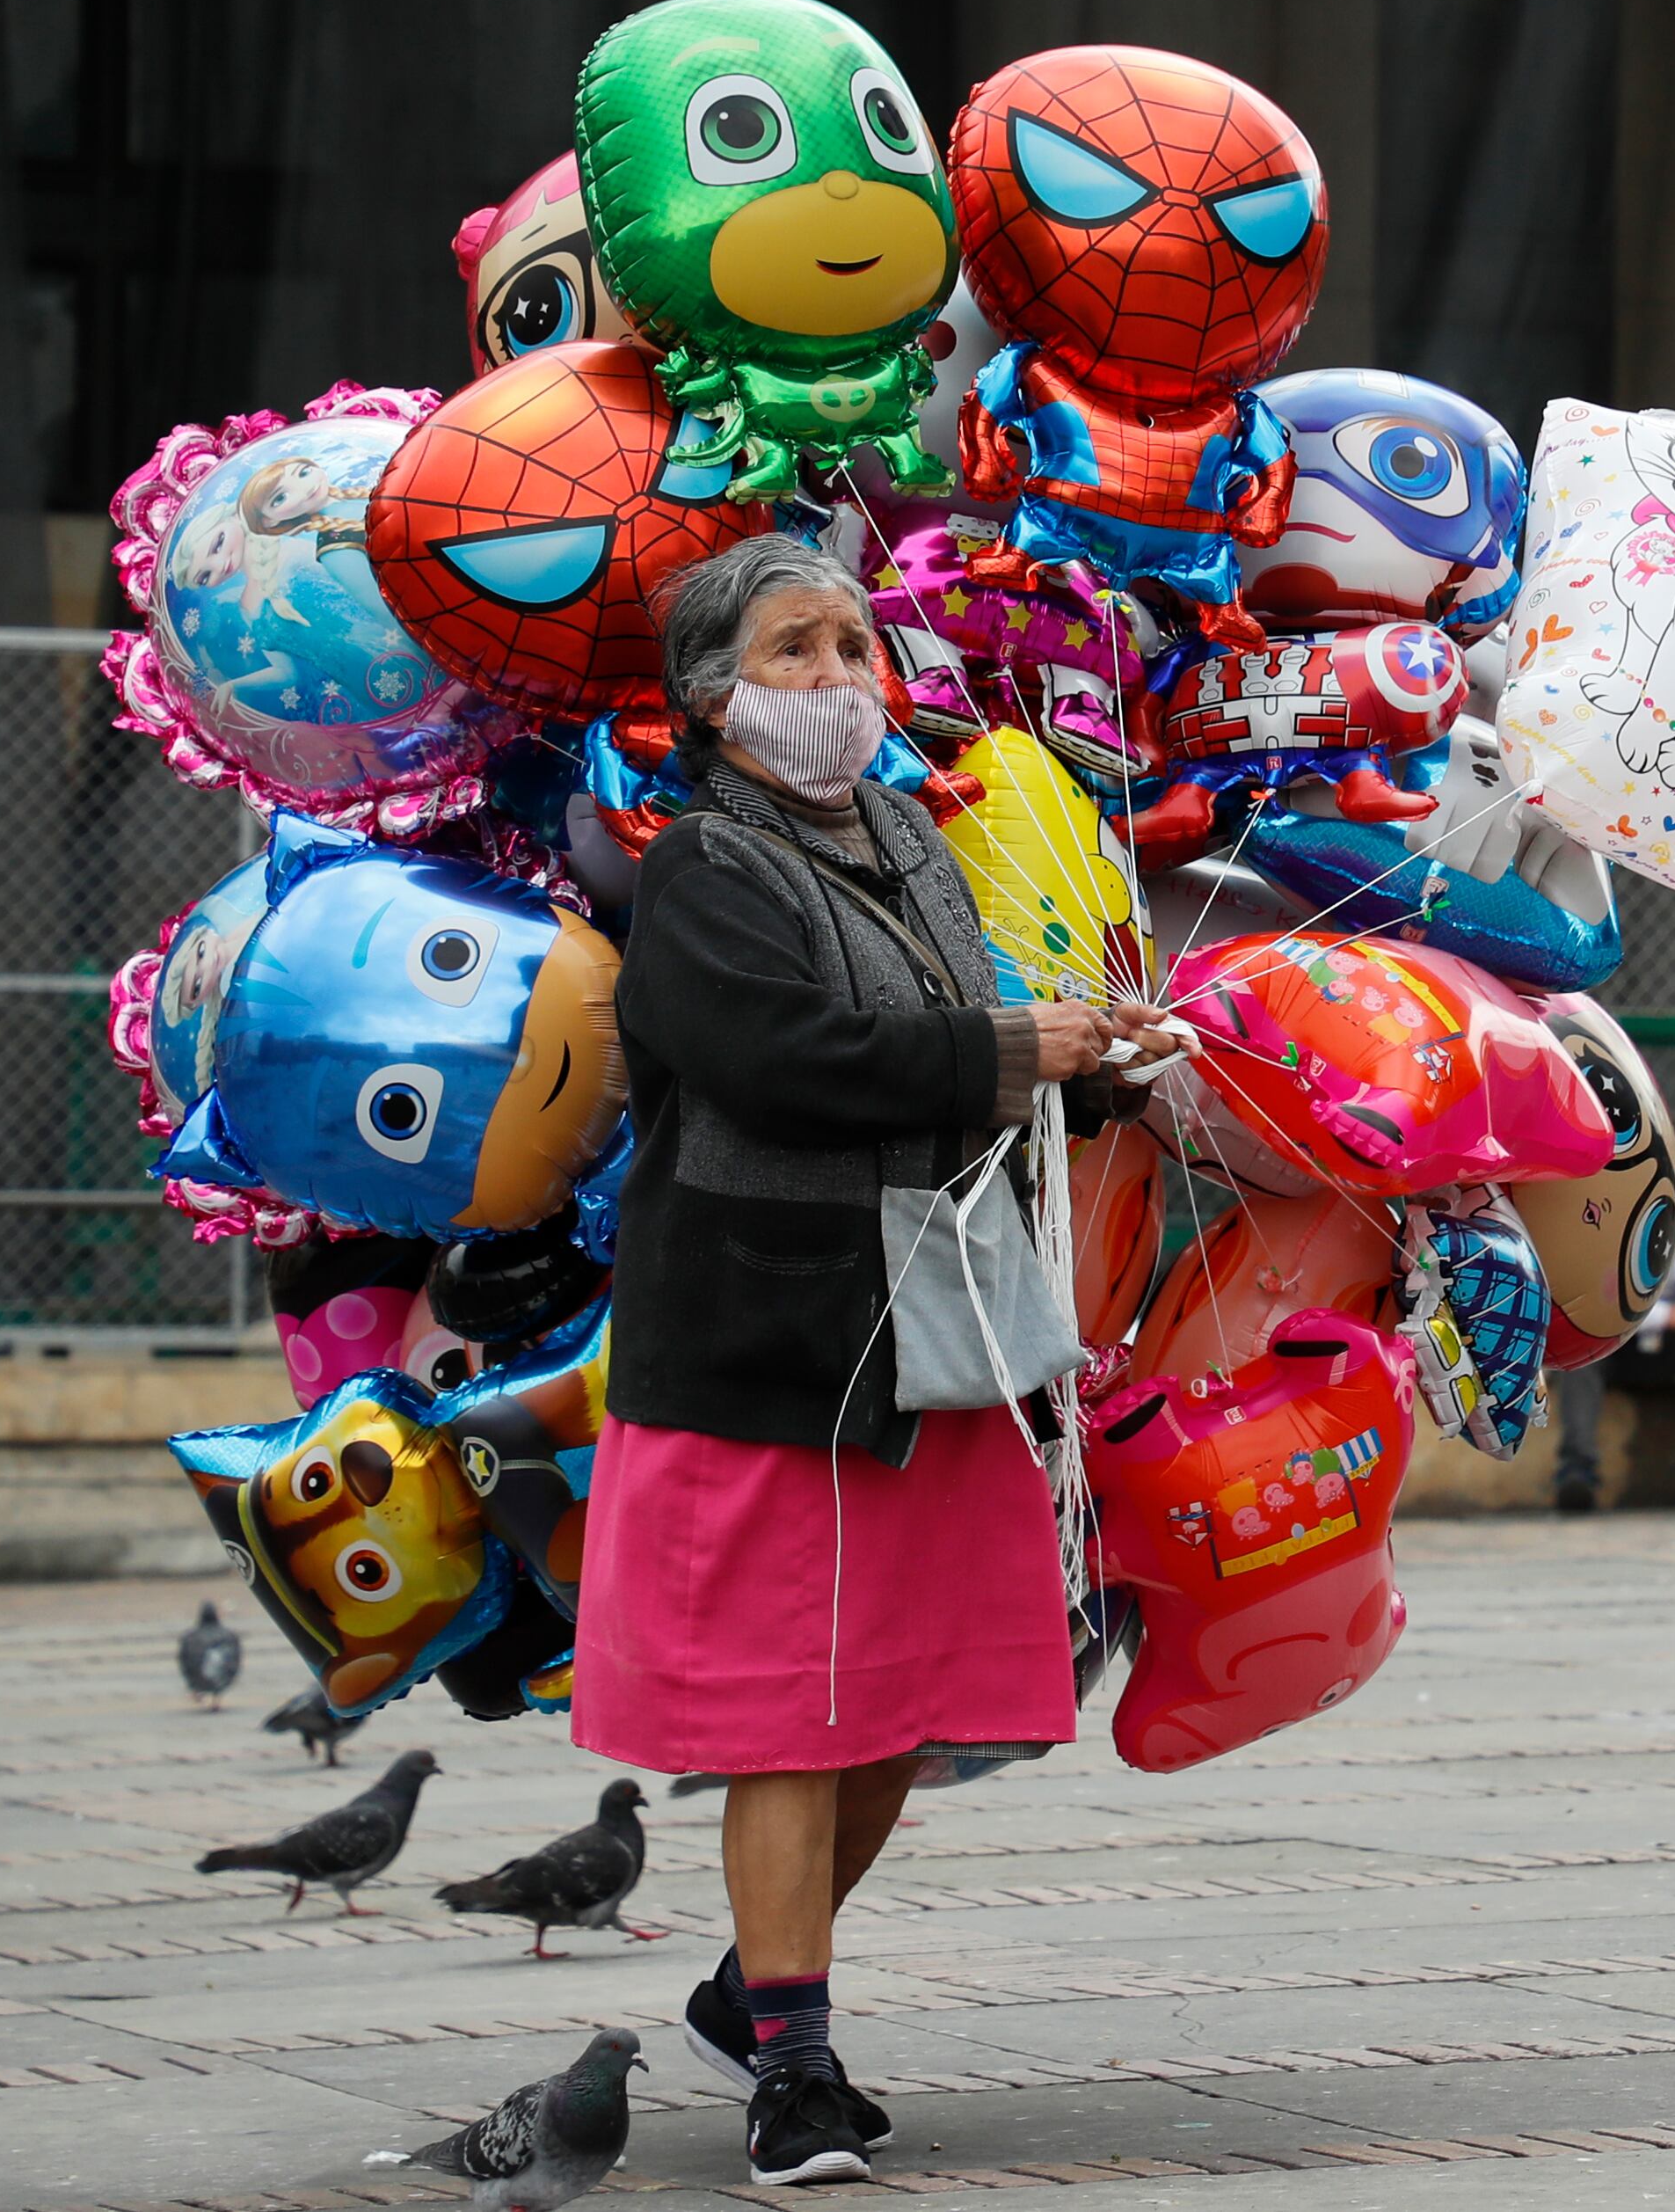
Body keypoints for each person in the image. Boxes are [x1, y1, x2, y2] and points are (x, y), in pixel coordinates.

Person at [577, 532, 1191, 2187]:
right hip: (770, 1340)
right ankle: (793, 2059)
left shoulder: (917, 835)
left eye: (855, 640)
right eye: (794, 648)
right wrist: (1010, 1050)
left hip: (933, 1331)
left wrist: (1100, 1072)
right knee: (793, 1715)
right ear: (712, 700)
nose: (841, 674)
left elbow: (957, 1052)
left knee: (894, 1710)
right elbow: (780, 1059)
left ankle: (752, 1996)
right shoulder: (704, 863)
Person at [1549, 1165, 1675, 1512]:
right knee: (1579, 1338)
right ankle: (1577, 1469)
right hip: (1616, 1335)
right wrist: (1669, 1315)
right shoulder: (1604, 1195)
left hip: (1672, 1341)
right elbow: (1592, 1293)